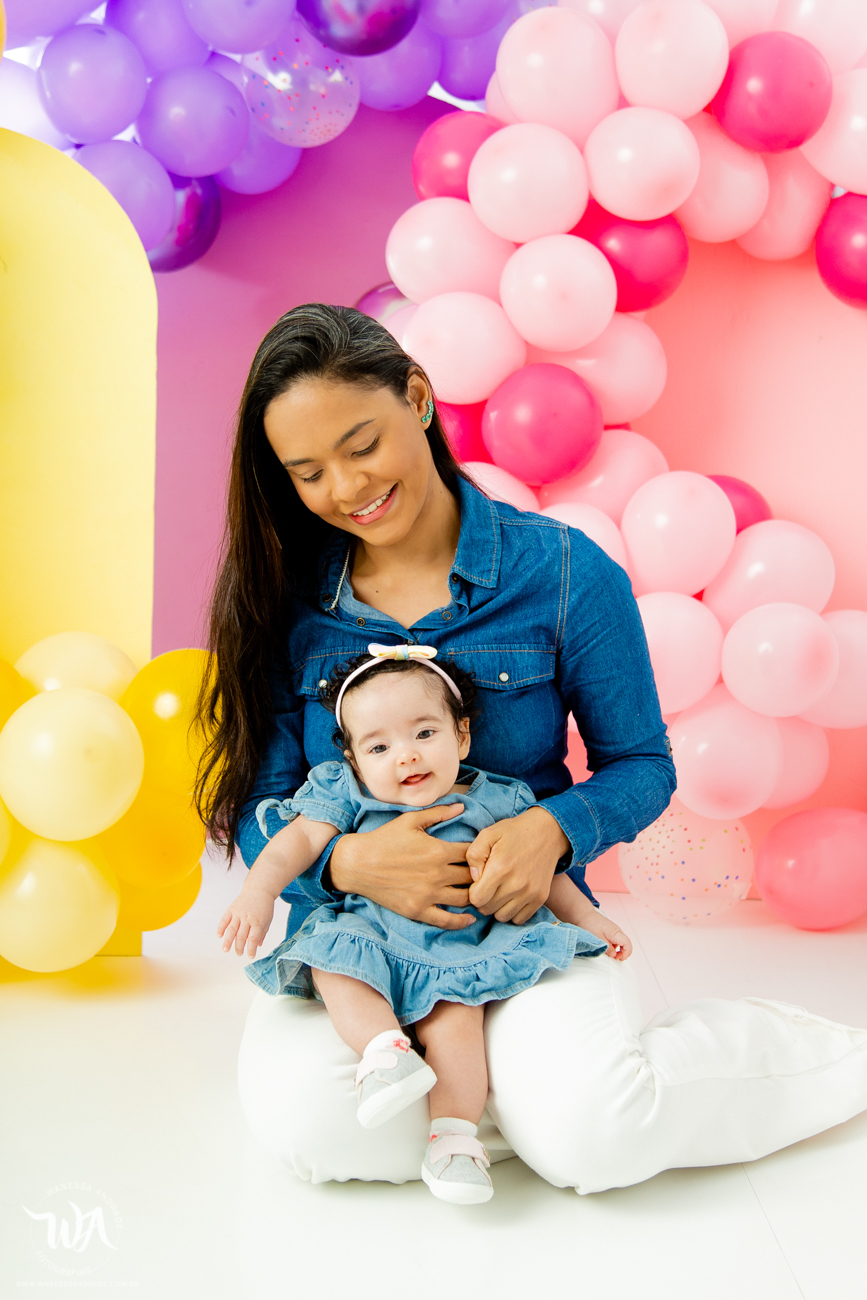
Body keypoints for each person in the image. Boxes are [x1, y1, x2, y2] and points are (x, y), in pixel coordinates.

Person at [197, 302, 867, 1193]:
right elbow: (262, 803)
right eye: (308, 473)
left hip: (525, 928)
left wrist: (549, 831)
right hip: (357, 947)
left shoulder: (561, 572)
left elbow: (641, 766)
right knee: (318, 1137)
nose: (348, 488)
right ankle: (503, 1096)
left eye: (362, 446)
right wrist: (347, 864)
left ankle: (776, 1056)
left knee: (594, 1140)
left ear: (417, 399)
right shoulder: (288, 603)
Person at [217, 645, 630, 1204]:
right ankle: (385, 1051)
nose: (406, 756)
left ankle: (454, 1142)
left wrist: (590, 918)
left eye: (425, 733)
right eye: (379, 747)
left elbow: (545, 875)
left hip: (460, 944)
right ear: (353, 760)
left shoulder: (495, 799)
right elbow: (295, 843)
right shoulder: (346, 794)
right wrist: (258, 892)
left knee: (457, 1026)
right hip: (370, 934)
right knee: (330, 963)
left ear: (462, 736)